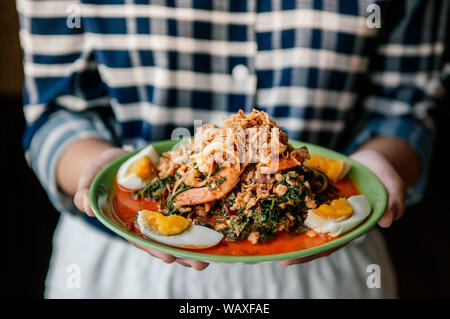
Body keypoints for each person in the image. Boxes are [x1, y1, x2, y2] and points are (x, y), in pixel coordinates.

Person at [18, 0, 448, 298]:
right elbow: (57, 108)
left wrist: (381, 165)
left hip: (327, 262)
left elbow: (403, 105)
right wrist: (99, 170)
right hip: (122, 270)